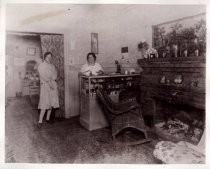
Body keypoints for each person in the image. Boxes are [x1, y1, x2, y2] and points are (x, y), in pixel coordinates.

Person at [37, 52, 59, 128]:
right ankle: (40, 121)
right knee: (44, 103)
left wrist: (52, 81)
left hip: (53, 85)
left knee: (51, 103)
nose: (49, 58)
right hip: (45, 86)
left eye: (50, 57)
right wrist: (50, 83)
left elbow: (55, 75)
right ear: (44, 57)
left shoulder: (52, 66)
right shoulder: (41, 66)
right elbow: (43, 76)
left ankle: (47, 119)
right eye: (47, 57)